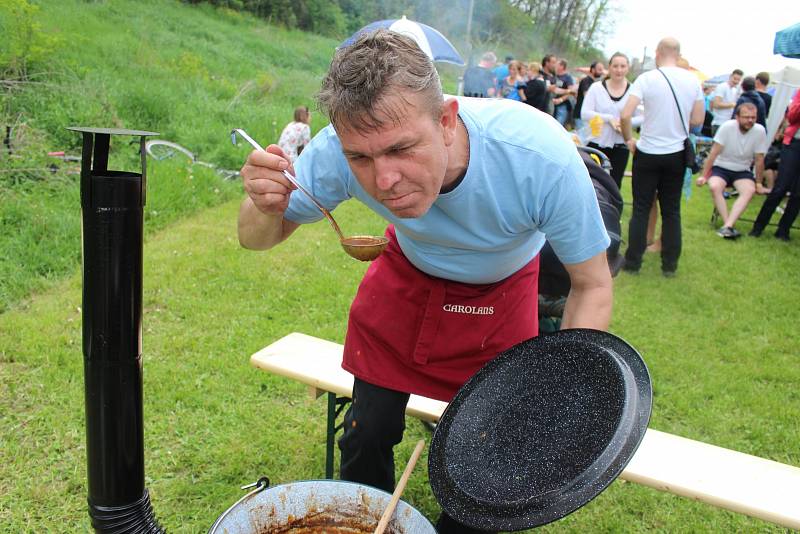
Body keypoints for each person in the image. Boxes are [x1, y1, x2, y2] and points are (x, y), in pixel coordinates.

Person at [237, 30, 613, 534]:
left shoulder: (537, 155)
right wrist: (264, 204)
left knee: (494, 454)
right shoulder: (338, 148)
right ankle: (365, 521)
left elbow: (591, 284)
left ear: (446, 121)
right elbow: (259, 237)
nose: (384, 180)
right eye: (362, 160)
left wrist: (561, 387)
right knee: (366, 430)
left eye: (401, 149)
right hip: (408, 275)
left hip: (501, 291)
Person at [620, 37, 704, 277]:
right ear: (678, 54)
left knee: (641, 208)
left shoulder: (647, 78)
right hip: (676, 153)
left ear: (657, 53)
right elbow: (698, 120)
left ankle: (633, 262)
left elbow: (626, 114)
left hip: (647, 152)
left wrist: (629, 140)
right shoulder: (692, 81)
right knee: (671, 211)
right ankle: (669, 266)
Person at [696, 103, 767, 238]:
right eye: (746, 117)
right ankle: (728, 225)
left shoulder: (760, 130)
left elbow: (759, 159)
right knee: (715, 187)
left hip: (742, 170)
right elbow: (713, 154)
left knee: (749, 190)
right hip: (721, 167)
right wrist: (704, 176)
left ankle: (727, 225)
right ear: (737, 117)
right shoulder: (727, 127)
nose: (750, 120)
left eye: (753, 117)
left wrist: (758, 183)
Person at [581, 52, 641, 190]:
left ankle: (611, 211)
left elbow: (641, 117)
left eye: (622, 66)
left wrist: (624, 122)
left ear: (628, 68)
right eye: (615, 66)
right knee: (591, 183)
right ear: (609, 67)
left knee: (614, 185)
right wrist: (609, 119)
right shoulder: (596, 88)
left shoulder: (634, 91)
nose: (619, 70)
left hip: (620, 145)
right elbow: (585, 113)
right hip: (596, 142)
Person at [750, 87, 800, 240]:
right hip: (794, 144)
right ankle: (758, 227)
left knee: (798, 193)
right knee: (780, 187)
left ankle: (783, 231)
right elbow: (791, 117)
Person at [573, 60, 606, 132]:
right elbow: (587, 97)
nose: (602, 72)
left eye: (602, 70)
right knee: (581, 139)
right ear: (593, 70)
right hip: (580, 115)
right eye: (599, 69)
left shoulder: (596, 83)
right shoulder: (586, 81)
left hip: (588, 116)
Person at [710, 69, 743, 135]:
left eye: (738, 80)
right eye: (735, 78)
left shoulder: (735, 90)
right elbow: (716, 104)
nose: (736, 81)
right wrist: (732, 105)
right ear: (730, 76)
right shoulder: (722, 86)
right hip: (719, 123)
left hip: (729, 123)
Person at [552, 59, 577, 127]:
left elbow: (571, 92)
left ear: (562, 66)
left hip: (562, 105)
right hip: (552, 104)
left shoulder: (568, 77)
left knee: (558, 125)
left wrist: (560, 100)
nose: (555, 66)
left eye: (557, 64)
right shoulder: (554, 75)